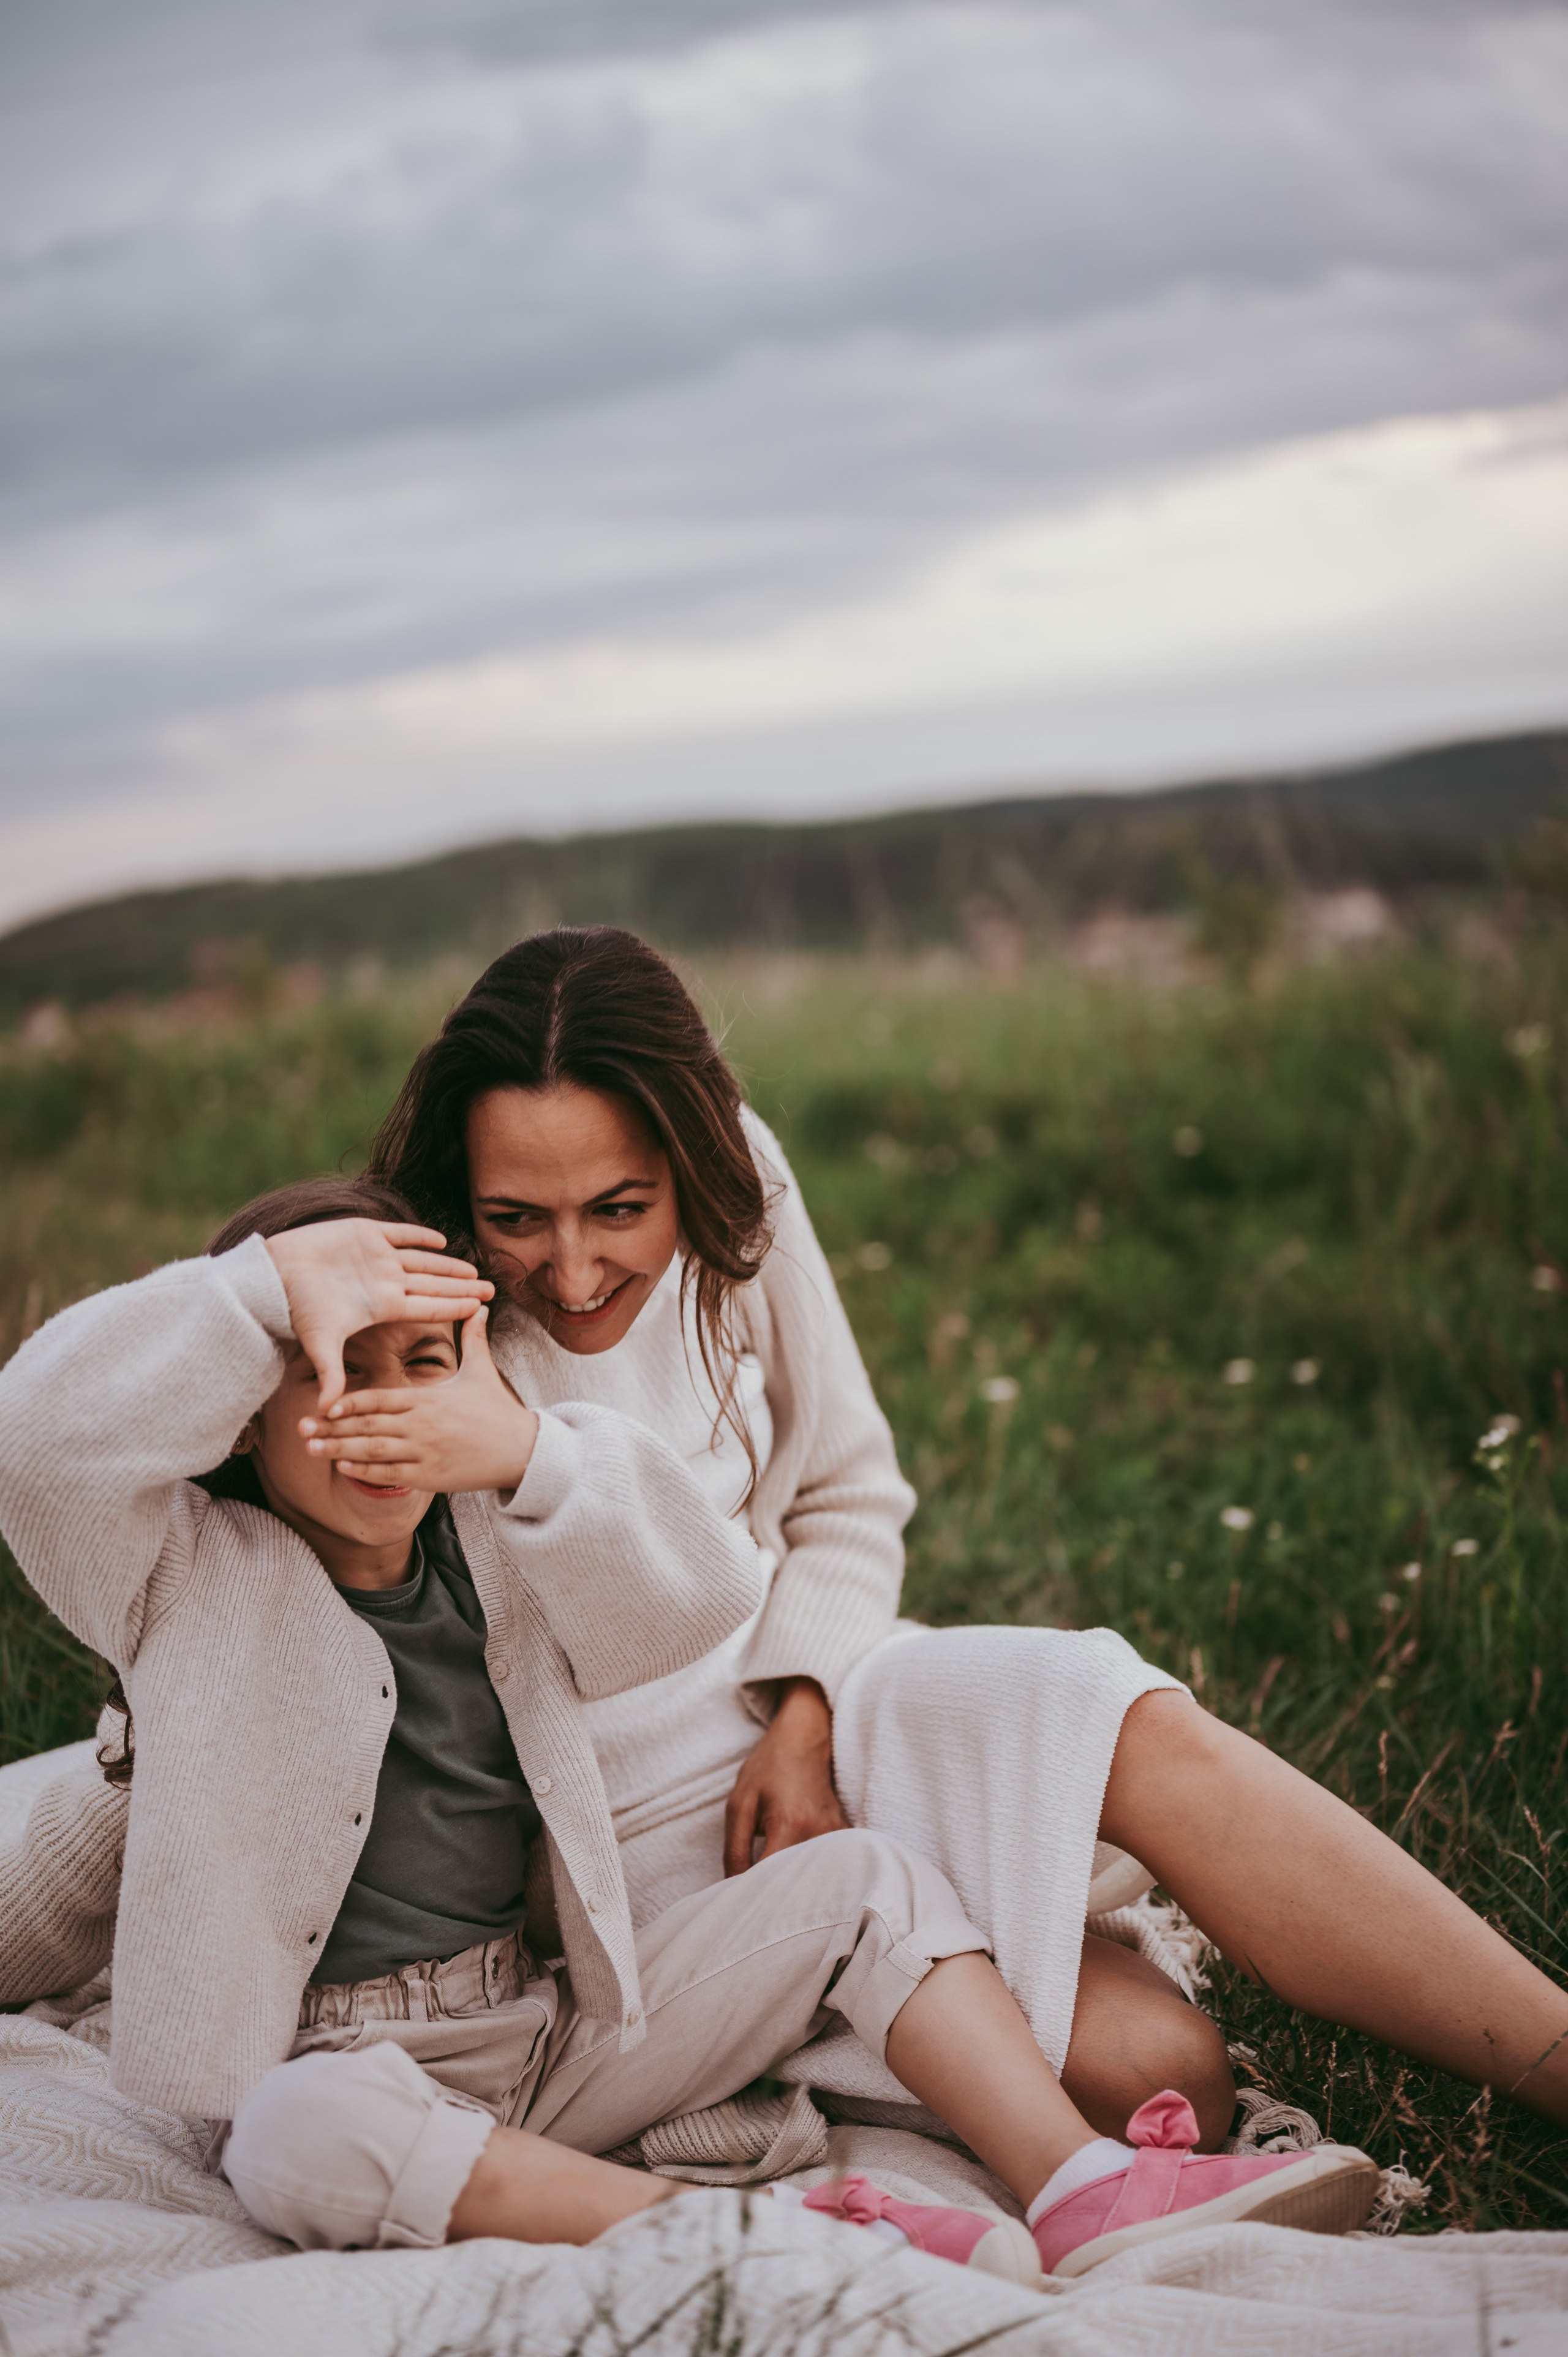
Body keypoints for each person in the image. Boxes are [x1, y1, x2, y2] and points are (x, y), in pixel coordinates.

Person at [0, 1177, 1381, 2282]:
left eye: (423, 1366)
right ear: (244, 1408)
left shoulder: (499, 1540)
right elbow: (36, 1441)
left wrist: (532, 1452)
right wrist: (261, 1291)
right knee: (303, 2141)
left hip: (538, 2042)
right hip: (321, 2067)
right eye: (329, 1368)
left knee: (859, 1882)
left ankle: (1080, 2188)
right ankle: (756, 2240)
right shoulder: (179, 1574)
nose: (383, 1408)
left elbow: (700, 1588)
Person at [323, 924, 1568, 2146]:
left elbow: (849, 1490)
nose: (576, 1267)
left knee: (1109, 1701)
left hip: (825, 1702)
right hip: (644, 1850)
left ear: (688, 1165)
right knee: (1161, 2074)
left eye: (617, 1207)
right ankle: (962, 1926)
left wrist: (805, 1704)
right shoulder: (408, 1320)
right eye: (518, 1218)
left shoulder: (736, 1178)